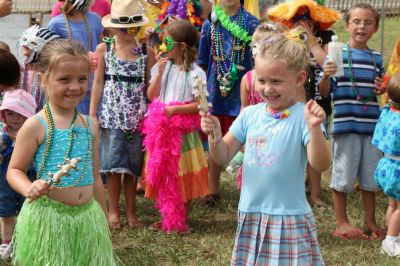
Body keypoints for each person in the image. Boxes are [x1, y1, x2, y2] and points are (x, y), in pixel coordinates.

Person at [200, 27, 330, 265]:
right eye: (261, 80)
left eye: (276, 81)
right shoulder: (250, 115)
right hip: (252, 213)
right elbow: (222, 156)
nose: (267, 89)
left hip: (288, 217)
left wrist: (313, 128)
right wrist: (215, 136)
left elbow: (321, 163)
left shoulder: (305, 116)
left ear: (299, 78)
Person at [7, 39, 117, 265]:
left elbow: (95, 177)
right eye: (64, 79)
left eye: (82, 79)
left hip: (87, 217)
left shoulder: (90, 125)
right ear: (43, 79)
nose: (75, 87)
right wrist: (29, 187)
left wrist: (103, 218)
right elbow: (14, 170)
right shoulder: (36, 125)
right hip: (49, 218)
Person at [319, 3, 385, 240]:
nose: (361, 26)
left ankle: (370, 221)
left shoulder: (376, 57)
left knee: (370, 178)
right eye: (356, 22)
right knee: (343, 176)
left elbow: (378, 88)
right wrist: (326, 74)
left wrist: (381, 87)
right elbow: (325, 91)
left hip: (372, 127)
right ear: (347, 26)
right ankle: (341, 222)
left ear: (375, 28)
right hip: (346, 126)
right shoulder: (337, 55)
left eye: (368, 23)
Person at [268, 0, 340, 209]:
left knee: (314, 148)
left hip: (319, 103)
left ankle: (315, 194)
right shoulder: (285, 38)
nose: (303, 22)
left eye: (307, 17)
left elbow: (329, 65)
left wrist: (311, 42)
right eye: (298, 18)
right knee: (292, 149)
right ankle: (295, 188)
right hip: (291, 103)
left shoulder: (327, 37)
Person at [90, 0, 155, 230]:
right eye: (122, 27)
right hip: (111, 116)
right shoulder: (104, 49)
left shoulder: (147, 52)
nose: (128, 32)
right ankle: (113, 210)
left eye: (133, 27)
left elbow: (150, 88)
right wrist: (92, 114)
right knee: (113, 167)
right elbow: (97, 84)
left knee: (132, 168)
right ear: (112, 27)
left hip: (138, 119)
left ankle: (131, 211)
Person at [143, 19, 209, 233]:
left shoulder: (196, 73)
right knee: (164, 175)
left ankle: (179, 220)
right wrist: (159, 73)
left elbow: (200, 104)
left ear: (182, 47)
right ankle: (166, 218)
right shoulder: (162, 68)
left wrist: (175, 111)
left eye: (167, 43)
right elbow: (151, 95)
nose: (163, 48)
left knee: (183, 175)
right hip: (161, 132)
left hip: (183, 134)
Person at [198, 0, 259, 206]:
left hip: (242, 93)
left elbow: (257, 61)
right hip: (216, 92)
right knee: (215, 138)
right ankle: (212, 189)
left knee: (247, 143)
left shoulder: (251, 23)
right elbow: (204, 61)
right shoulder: (210, 23)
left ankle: (249, 189)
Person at [48, 0, 104, 115]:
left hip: (95, 83)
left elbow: (102, 46)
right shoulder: (56, 24)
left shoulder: (95, 19)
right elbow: (51, 56)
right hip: (71, 85)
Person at [0, 90, 36, 260]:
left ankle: (22, 241)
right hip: (4, 182)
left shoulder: (36, 135)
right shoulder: (2, 136)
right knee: (6, 213)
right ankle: (6, 243)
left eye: (20, 114)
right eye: (10, 113)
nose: (15, 118)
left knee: (25, 213)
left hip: (27, 181)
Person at [373, 73, 400, 256]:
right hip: (398, 169)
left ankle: (393, 236)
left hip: (385, 165)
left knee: (393, 205)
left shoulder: (387, 110)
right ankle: (390, 241)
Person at [19, 25, 60, 111]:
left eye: (33, 43)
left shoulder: (50, 72)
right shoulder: (22, 68)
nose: (25, 44)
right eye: (24, 40)